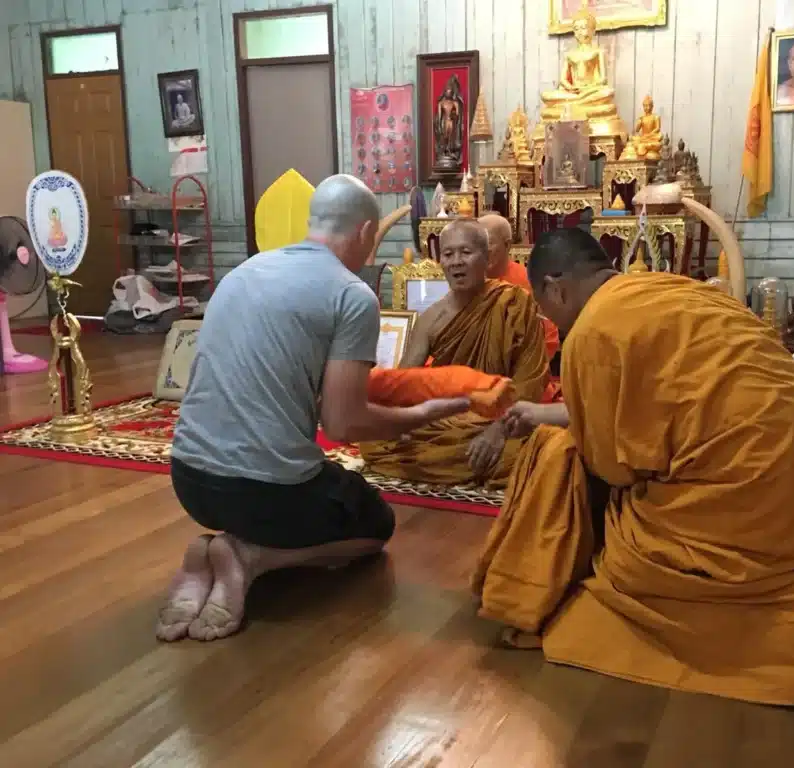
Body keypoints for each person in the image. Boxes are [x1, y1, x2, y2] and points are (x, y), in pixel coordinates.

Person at [471, 228, 794, 706]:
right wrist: (545, 413)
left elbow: (614, 466)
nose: (551, 322)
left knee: (564, 467)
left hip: (748, 513)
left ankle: (539, 591)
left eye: (546, 308)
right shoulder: (673, 290)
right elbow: (663, 404)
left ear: (556, 288)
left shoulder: (593, 331)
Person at [157, 174, 470, 643]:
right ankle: (251, 557)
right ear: (366, 232)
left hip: (188, 478)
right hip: (262, 494)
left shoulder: (244, 271)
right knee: (376, 525)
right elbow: (344, 423)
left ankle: (215, 553)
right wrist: (420, 415)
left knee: (308, 482)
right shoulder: (351, 294)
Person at [359, 219, 549, 487]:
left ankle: (473, 459)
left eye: (466, 252)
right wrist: (396, 420)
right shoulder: (432, 318)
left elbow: (531, 380)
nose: (456, 261)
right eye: (448, 254)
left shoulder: (514, 304)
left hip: (507, 417)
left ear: (486, 258)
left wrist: (499, 430)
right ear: (441, 261)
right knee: (373, 441)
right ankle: (473, 462)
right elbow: (404, 383)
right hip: (451, 419)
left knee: (533, 451)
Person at [478, 213, 561, 361]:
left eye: (488, 243)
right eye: (477, 243)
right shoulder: (467, 281)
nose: (482, 250)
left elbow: (548, 338)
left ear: (507, 245)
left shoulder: (529, 282)